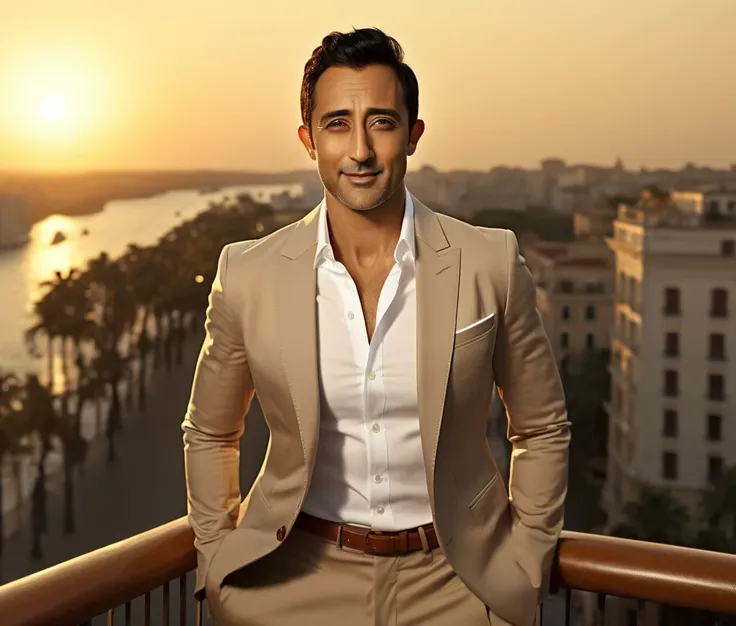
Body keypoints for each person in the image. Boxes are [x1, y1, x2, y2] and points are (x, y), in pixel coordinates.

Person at [182, 26, 570, 626]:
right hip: (293, 582)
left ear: (412, 136)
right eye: (337, 123)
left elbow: (542, 427)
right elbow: (209, 432)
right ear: (309, 140)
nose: (359, 149)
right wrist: (216, 557)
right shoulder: (248, 273)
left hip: (457, 584)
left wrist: (526, 563)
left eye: (381, 122)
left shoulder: (489, 261)